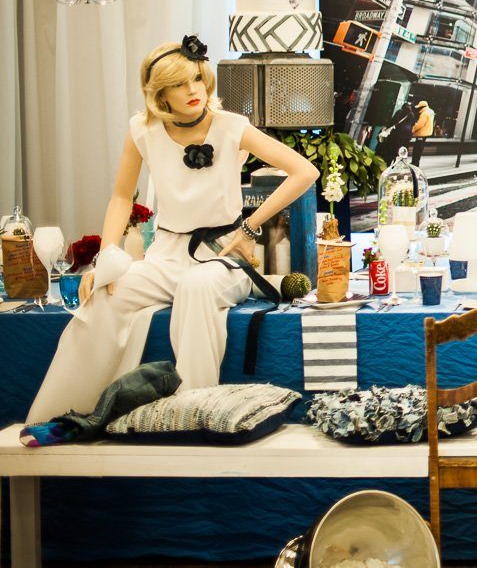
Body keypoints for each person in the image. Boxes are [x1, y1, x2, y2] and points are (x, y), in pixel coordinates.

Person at [27, 36, 318, 423]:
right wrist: (105, 259)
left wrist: (249, 229)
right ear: (160, 93)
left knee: (195, 287)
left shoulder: (232, 126)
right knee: (104, 296)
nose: (194, 90)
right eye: (180, 84)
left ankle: (193, 413)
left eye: (197, 78)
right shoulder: (142, 130)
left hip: (220, 258)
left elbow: (304, 172)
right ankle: (68, 415)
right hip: (164, 256)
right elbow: (121, 197)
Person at [410, 99, 434, 166]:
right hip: (426, 134)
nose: (418, 109)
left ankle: (415, 163)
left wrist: (412, 130)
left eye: (419, 107)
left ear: (422, 107)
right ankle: (416, 162)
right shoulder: (431, 111)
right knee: (420, 149)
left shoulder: (424, 114)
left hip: (421, 134)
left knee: (416, 149)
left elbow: (419, 124)